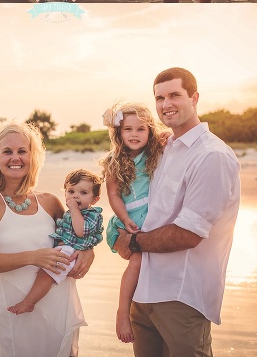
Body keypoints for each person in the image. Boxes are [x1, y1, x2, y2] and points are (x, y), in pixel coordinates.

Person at [114, 67, 240, 357]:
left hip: (181, 296)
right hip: (144, 290)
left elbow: (188, 234)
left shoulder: (211, 156)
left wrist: (132, 242)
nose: (166, 104)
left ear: (194, 98)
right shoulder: (163, 147)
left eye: (175, 95)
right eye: (159, 98)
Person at [0, 121, 94, 357]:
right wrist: (33, 257)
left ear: (32, 156)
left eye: (21, 151)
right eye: (7, 152)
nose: (15, 158)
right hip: (14, 312)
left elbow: (79, 236)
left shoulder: (50, 202)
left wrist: (88, 251)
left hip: (58, 307)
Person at [99, 104, 166, 344]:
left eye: (141, 129)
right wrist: (125, 219)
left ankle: (153, 304)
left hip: (154, 214)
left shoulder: (155, 153)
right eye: (128, 129)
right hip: (130, 217)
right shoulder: (114, 161)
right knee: (137, 261)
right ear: (118, 133)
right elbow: (114, 195)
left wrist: (167, 136)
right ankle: (122, 312)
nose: (134, 134)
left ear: (150, 131)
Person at [7, 169, 103, 316]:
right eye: (71, 191)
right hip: (66, 249)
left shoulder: (91, 214)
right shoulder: (71, 212)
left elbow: (81, 231)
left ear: (94, 199)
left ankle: (29, 303)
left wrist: (74, 210)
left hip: (72, 252)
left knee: (47, 274)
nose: (76, 196)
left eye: (83, 193)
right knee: (46, 273)